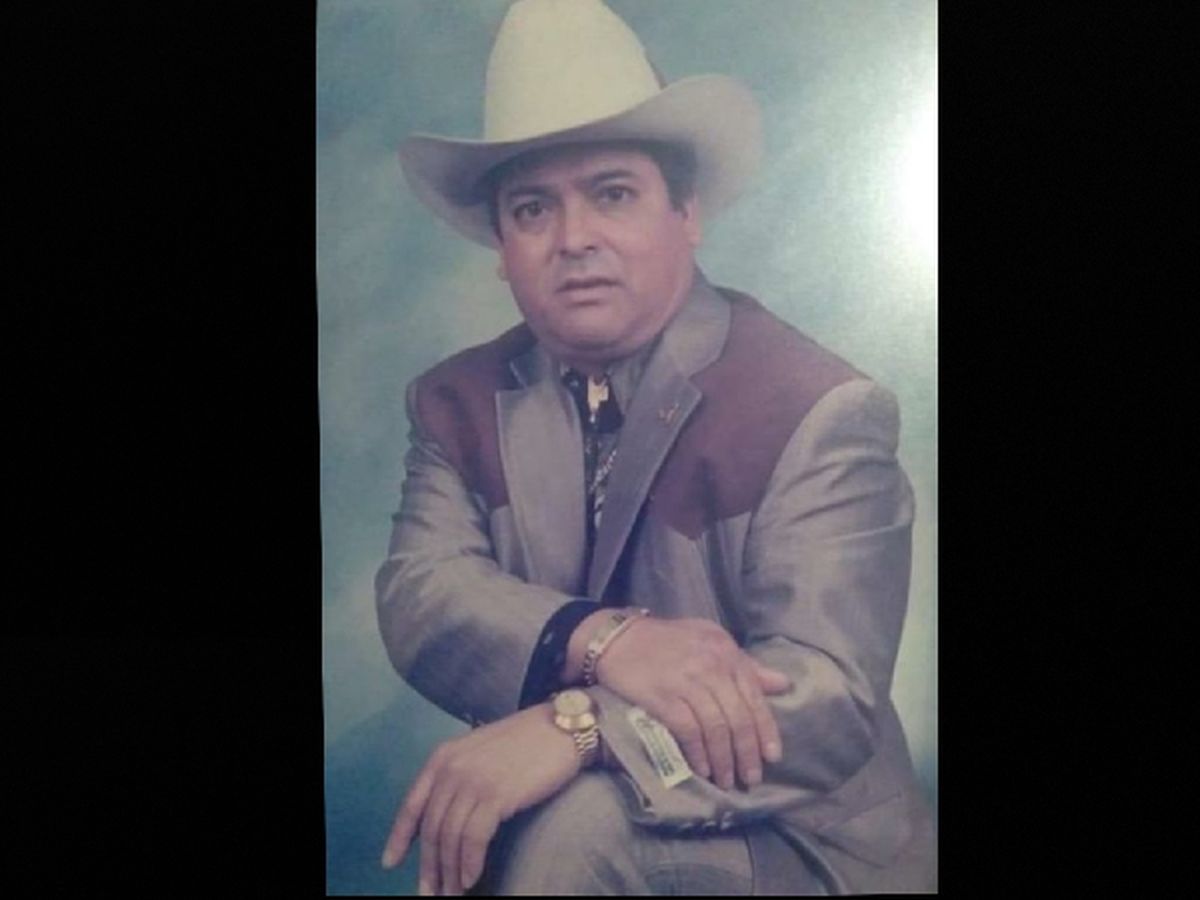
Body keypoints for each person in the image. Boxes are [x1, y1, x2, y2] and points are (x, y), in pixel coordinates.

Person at [375, 0, 936, 894]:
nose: (575, 240)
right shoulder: (454, 403)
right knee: (493, 823)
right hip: (575, 802)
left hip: (806, 841)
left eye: (613, 193)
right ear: (501, 247)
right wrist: (601, 641)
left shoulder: (819, 405)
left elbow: (825, 699)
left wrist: (578, 727)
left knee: (573, 832)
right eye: (533, 208)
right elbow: (424, 593)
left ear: (687, 213)